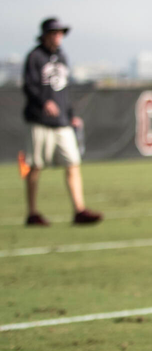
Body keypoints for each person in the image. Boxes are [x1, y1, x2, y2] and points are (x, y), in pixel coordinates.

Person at [22, 17, 101, 227]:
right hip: (39, 120)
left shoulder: (62, 57)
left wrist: (71, 113)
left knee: (73, 163)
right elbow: (29, 86)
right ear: (46, 35)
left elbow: (64, 91)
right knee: (35, 166)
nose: (59, 36)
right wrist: (43, 102)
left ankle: (79, 210)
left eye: (60, 33)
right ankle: (32, 213)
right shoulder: (35, 57)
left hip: (62, 121)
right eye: (55, 33)